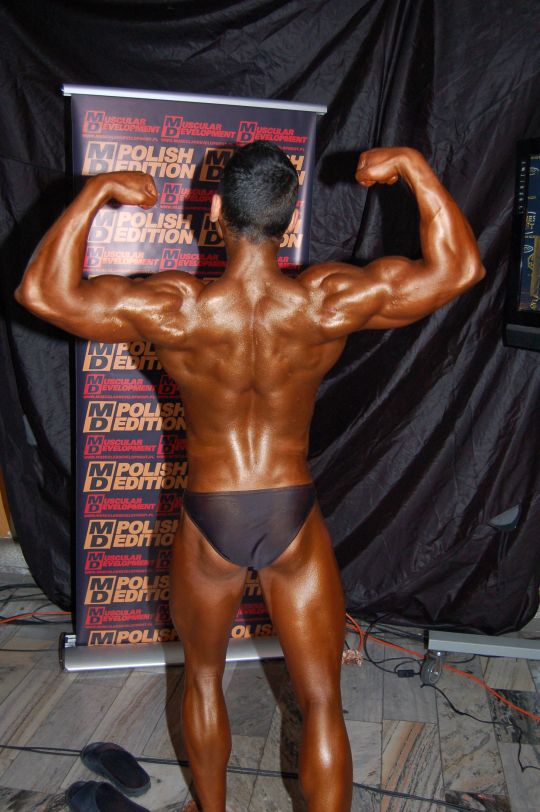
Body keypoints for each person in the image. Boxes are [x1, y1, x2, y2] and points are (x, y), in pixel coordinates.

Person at [16, 142, 485, 812]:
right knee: (321, 701)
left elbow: (41, 291)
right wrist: (413, 166)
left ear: (214, 211)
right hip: (290, 510)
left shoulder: (180, 308)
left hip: (212, 516)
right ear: (289, 220)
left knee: (203, 680)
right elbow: (460, 267)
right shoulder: (324, 301)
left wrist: (96, 193)